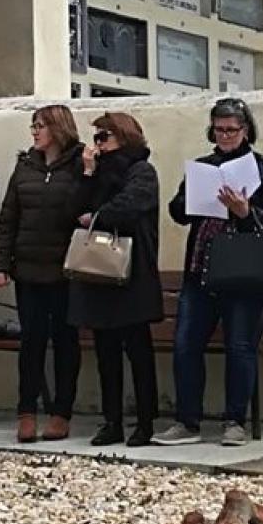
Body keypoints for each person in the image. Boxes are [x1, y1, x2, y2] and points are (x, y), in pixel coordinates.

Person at [158, 97, 263, 449]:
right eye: (219, 129)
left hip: (242, 269)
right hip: (201, 267)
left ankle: (235, 421)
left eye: (232, 129)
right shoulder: (203, 165)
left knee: (240, 346)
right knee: (186, 345)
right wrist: (190, 199)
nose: (225, 135)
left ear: (246, 131)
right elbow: (178, 212)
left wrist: (245, 211)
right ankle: (187, 421)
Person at [0, 105, 87, 443]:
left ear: (58, 128)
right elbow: (8, 217)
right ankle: (26, 410)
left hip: (65, 270)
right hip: (28, 268)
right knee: (31, 341)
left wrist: (88, 175)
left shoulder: (79, 165)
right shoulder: (25, 165)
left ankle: (61, 412)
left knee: (65, 342)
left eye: (41, 126)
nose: (35, 132)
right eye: (33, 126)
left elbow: (84, 207)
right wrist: (0, 263)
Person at [68, 112, 164, 448]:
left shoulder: (141, 170)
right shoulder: (96, 173)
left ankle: (145, 421)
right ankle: (112, 421)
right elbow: (74, 207)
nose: (97, 144)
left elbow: (130, 206)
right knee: (106, 351)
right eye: (95, 138)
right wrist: (88, 174)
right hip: (99, 272)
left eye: (103, 137)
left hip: (132, 272)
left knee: (138, 350)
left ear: (124, 136)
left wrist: (97, 216)